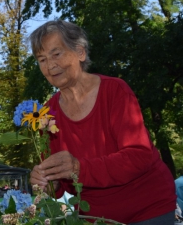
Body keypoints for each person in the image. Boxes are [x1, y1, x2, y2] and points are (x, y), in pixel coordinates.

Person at [28, 20, 176, 224]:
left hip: (148, 208)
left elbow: (138, 156)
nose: (50, 65)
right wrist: (46, 182)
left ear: (80, 52)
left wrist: (79, 168)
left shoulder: (115, 91)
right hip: (95, 218)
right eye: (42, 59)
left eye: (56, 54)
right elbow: (62, 186)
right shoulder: (45, 115)